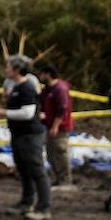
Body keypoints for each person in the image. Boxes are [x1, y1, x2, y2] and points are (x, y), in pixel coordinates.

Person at [0, 55, 51, 220]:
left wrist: (4, 113)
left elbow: (28, 113)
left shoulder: (27, 87)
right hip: (19, 135)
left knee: (37, 170)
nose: (6, 69)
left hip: (30, 135)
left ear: (17, 69)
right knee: (24, 170)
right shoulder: (16, 87)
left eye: (8, 66)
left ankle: (43, 208)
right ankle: (27, 202)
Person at [36, 62, 75, 190]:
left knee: (60, 152)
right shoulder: (48, 89)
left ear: (48, 74)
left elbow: (62, 109)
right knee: (51, 153)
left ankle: (66, 180)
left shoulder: (60, 88)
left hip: (60, 127)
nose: (40, 77)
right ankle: (59, 178)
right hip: (49, 125)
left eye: (41, 74)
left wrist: (55, 126)